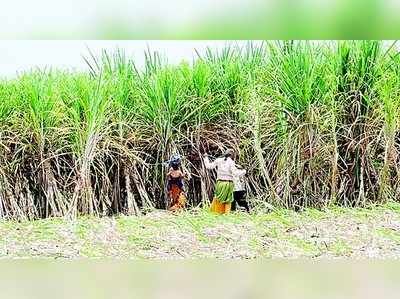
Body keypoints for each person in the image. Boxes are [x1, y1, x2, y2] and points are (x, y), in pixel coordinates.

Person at [203, 149, 245, 214]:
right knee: (228, 199)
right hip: (228, 184)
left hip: (219, 183)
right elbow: (235, 173)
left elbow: (208, 166)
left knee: (218, 197)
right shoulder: (231, 162)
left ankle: (215, 212)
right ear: (232, 155)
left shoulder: (219, 160)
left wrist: (205, 158)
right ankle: (226, 213)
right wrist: (243, 171)